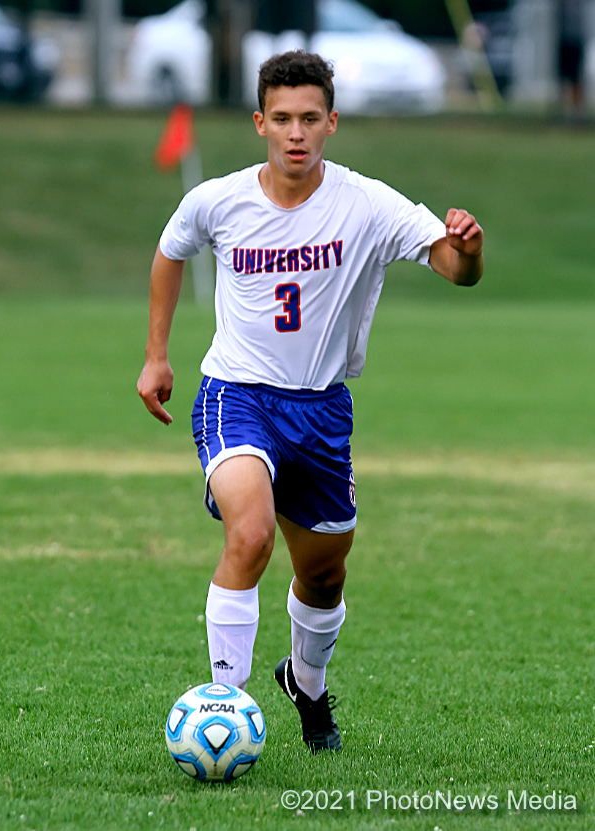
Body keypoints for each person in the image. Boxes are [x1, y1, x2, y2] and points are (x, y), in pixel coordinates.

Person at [137, 51, 483, 753]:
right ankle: (224, 708)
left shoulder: (366, 204)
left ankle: (308, 684)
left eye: (310, 119)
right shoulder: (219, 199)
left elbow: (454, 269)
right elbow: (172, 250)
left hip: (321, 410)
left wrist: (468, 248)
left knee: (323, 574)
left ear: (332, 124)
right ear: (261, 123)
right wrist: (156, 355)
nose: (296, 133)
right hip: (236, 395)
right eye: (283, 119)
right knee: (251, 533)